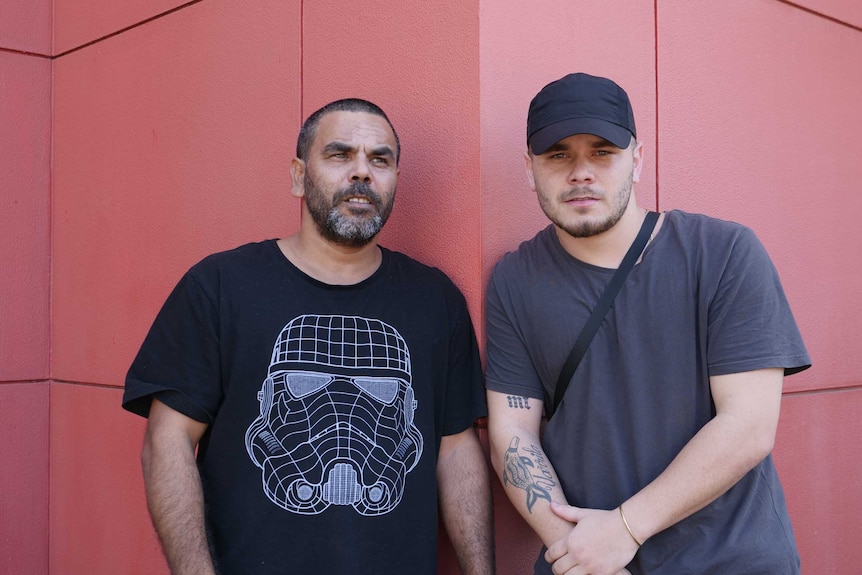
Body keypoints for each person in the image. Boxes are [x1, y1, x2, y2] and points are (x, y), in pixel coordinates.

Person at [123, 98, 494, 575]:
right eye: (340, 155)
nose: (362, 172)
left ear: (395, 179)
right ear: (299, 175)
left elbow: (456, 450)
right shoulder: (219, 288)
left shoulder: (435, 301)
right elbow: (167, 442)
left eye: (380, 159)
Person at [485, 73, 810, 575]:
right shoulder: (514, 279)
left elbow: (748, 425)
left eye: (602, 152)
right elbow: (513, 432)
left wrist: (624, 529)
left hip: (731, 560)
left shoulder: (723, 253)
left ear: (637, 160)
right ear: (530, 169)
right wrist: (582, 555)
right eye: (557, 155)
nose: (580, 173)